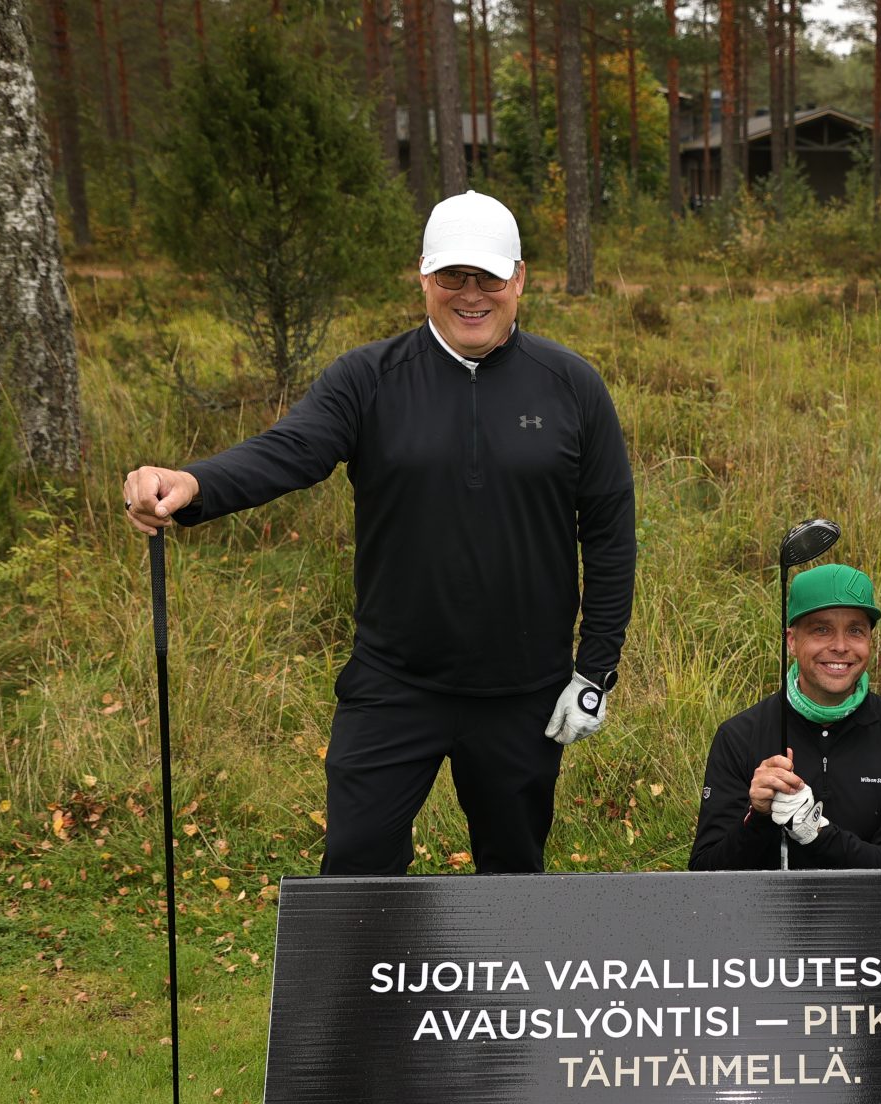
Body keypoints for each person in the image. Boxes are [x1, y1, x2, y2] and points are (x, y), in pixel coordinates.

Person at [122, 191, 636, 876]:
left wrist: (595, 669)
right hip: (394, 684)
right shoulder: (368, 379)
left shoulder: (571, 386)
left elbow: (609, 533)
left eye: (488, 277)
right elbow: (290, 450)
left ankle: (498, 955)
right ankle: (373, 952)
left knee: (512, 876)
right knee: (357, 871)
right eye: (453, 275)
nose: (471, 294)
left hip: (523, 692)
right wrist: (194, 484)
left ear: (519, 279)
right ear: (423, 277)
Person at [690, 564, 881, 870]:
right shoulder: (738, 736)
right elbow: (705, 871)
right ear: (792, 641)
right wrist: (758, 818)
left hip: (867, 905)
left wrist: (816, 832)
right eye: (821, 630)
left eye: (855, 630)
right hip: (770, 904)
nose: (841, 646)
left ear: (870, 640)